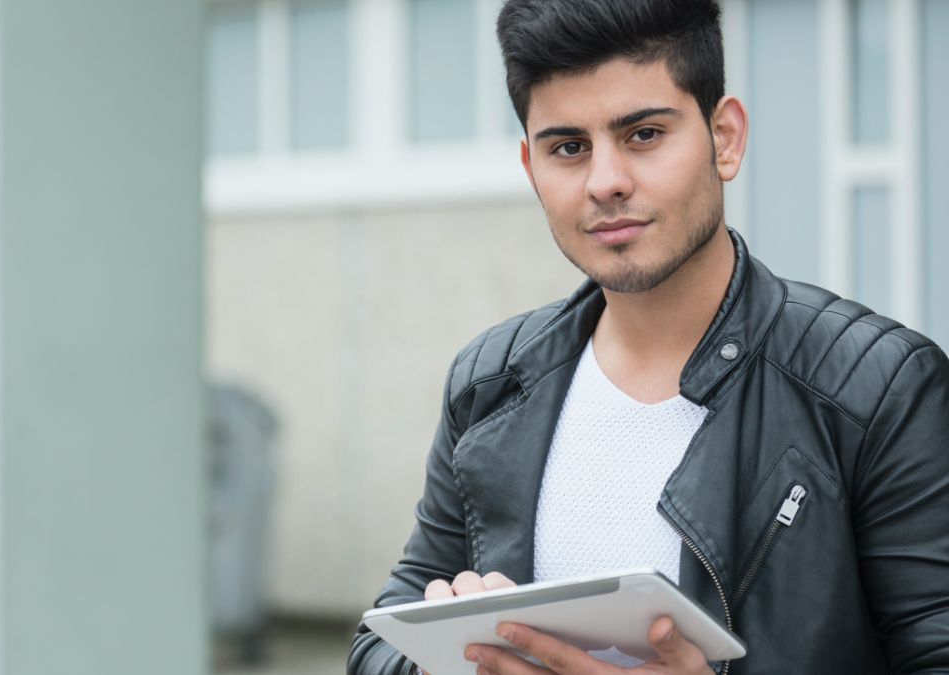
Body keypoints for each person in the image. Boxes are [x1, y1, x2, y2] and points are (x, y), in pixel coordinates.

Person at [346, 0, 949, 673]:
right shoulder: (491, 381)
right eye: (569, 147)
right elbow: (381, 640)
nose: (605, 182)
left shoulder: (880, 386)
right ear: (530, 167)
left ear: (725, 138)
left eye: (643, 134)